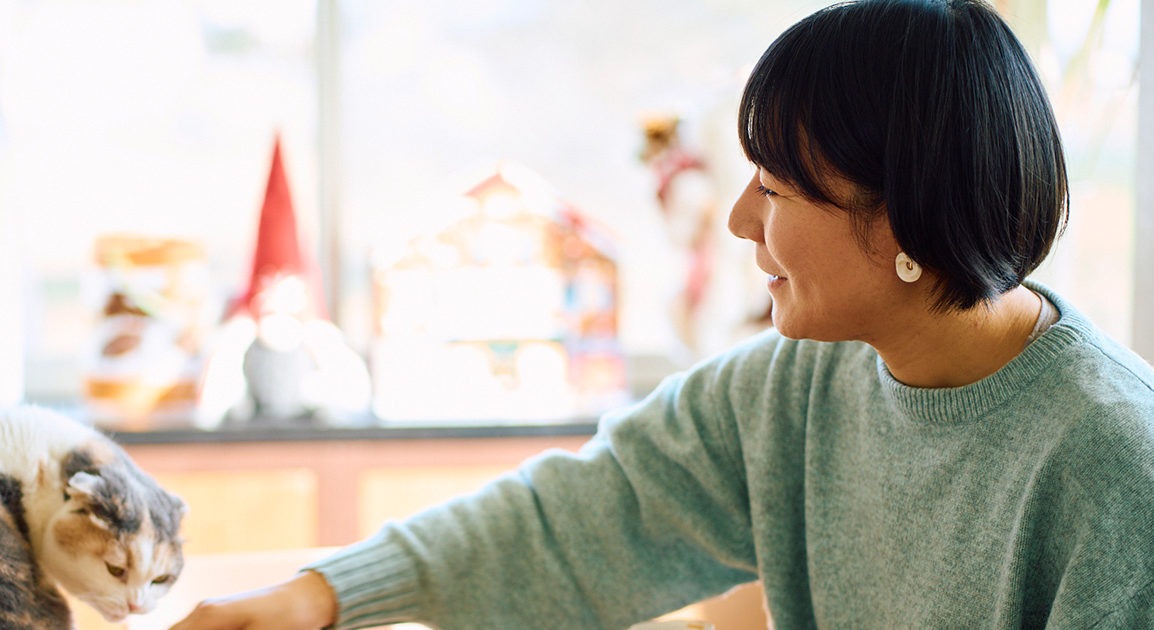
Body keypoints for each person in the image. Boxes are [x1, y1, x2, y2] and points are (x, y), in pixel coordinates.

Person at [170, 0, 1154, 628]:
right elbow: (578, 521)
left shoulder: (1114, 466)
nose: (737, 220)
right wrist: (321, 594)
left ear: (901, 213)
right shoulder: (791, 388)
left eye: (775, 189)